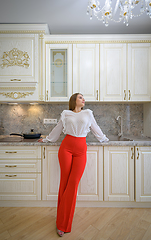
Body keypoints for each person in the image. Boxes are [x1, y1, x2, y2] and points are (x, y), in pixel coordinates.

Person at [38, 93, 109, 237]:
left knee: (73, 183)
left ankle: (62, 220)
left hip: (81, 149)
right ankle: (62, 223)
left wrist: (105, 139)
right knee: (64, 182)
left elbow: (96, 129)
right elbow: (58, 129)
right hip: (66, 148)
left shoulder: (88, 113)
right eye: (80, 97)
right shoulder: (66, 114)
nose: (83, 100)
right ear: (74, 101)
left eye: (83, 98)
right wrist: (47, 139)